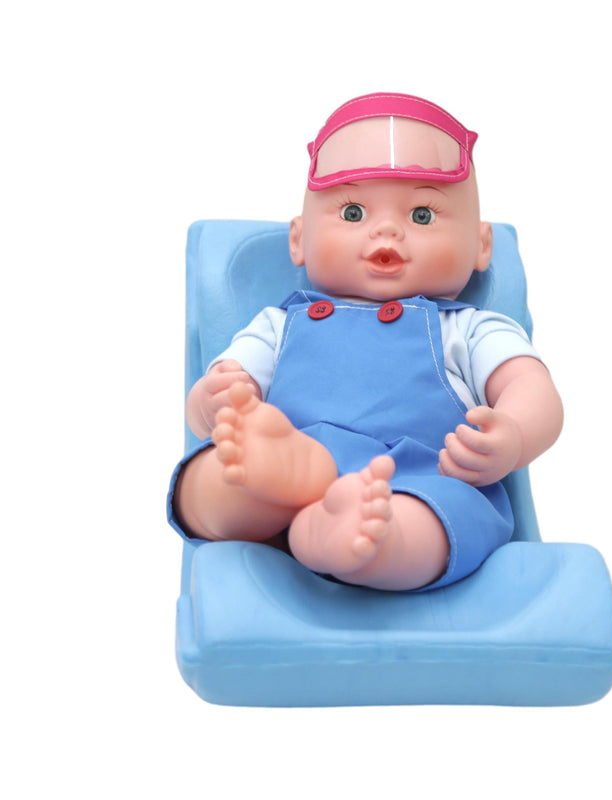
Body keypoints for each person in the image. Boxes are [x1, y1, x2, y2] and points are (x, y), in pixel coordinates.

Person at [169, 92, 563, 591]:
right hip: (287, 467)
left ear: (481, 245)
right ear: (299, 239)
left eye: (422, 215)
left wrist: (514, 436)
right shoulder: (276, 325)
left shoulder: (469, 328)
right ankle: (277, 486)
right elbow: (222, 393)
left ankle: (370, 536)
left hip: (419, 480)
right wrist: (215, 403)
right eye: (353, 212)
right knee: (211, 474)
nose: (386, 231)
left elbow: (532, 388)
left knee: (444, 517)